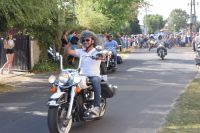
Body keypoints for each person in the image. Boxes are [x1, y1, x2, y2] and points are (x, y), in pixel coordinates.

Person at [65, 30, 103, 117]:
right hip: (81, 76)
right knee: (68, 81)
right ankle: (71, 103)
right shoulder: (80, 51)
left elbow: (102, 55)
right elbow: (68, 51)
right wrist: (71, 43)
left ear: (92, 41)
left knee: (96, 80)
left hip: (93, 75)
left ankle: (97, 107)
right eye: (83, 40)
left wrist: (100, 56)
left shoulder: (96, 51)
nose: (85, 42)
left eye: (87, 40)